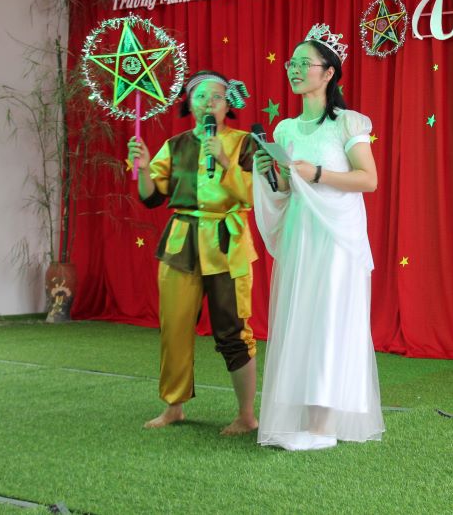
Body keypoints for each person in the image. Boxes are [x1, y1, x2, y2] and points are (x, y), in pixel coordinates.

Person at [252, 23, 384, 451]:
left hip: (337, 238)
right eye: (291, 63)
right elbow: (291, 191)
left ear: (328, 73)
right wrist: (272, 175)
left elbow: (369, 180)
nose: (293, 70)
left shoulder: (347, 122)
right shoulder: (286, 129)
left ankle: (324, 429)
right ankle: (308, 421)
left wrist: (317, 173)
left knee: (329, 320)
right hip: (302, 235)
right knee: (302, 321)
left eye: (303, 64)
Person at [127, 70, 260, 436]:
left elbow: (254, 196)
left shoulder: (245, 143)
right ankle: (173, 407)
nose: (209, 103)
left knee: (234, 330)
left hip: (226, 242)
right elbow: (152, 196)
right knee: (175, 325)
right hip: (181, 240)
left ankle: (246, 415)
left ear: (227, 105)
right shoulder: (176, 144)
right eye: (201, 97)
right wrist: (142, 168)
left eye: (217, 97)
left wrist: (227, 161)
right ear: (189, 103)